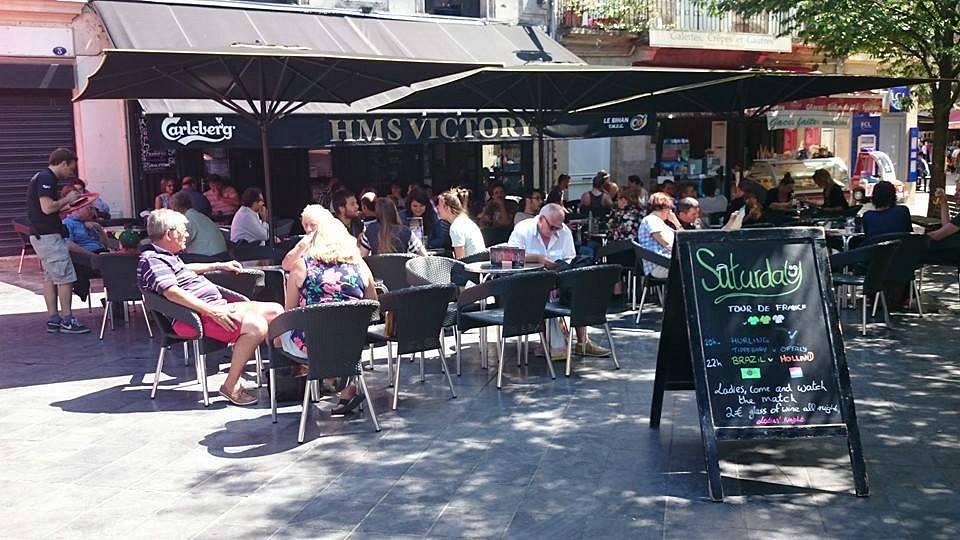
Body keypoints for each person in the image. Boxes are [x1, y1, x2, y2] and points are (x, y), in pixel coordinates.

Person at [138, 209, 283, 406]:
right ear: (169, 234)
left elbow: (185, 270)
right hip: (193, 317)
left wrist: (217, 265)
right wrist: (211, 310)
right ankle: (231, 386)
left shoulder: (167, 257)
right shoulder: (151, 259)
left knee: (276, 312)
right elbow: (171, 292)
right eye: (183, 230)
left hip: (212, 308)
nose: (187, 235)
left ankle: (283, 373)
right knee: (256, 326)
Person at [279, 204, 378, 415]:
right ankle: (343, 386)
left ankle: (321, 379)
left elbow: (290, 314)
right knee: (344, 331)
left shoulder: (302, 267)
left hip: (311, 345)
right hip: (350, 344)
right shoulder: (360, 266)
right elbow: (373, 305)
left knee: (279, 333)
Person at [508, 203, 610, 358]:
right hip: (530, 280)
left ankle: (583, 342)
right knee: (538, 290)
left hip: (560, 278)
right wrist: (539, 259)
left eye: (558, 227)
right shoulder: (523, 229)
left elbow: (570, 258)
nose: (555, 231)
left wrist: (559, 271)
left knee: (579, 286)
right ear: (541, 219)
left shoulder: (564, 231)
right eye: (552, 227)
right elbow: (510, 257)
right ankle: (545, 342)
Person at [26, 148, 89, 334]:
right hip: (48, 236)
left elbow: (47, 209)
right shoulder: (47, 178)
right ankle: (67, 319)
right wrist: (67, 199)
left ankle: (54, 319)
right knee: (65, 277)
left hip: (41, 235)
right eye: (71, 168)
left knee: (51, 277)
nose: (71, 173)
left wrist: (67, 205)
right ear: (63, 163)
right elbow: (47, 208)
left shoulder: (41, 177)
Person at [360, 197, 426, 256]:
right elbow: (424, 256)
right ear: (394, 211)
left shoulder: (370, 231)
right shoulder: (406, 232)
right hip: (401, 269)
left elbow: (362, 257)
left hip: (376, 269)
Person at [170, 192, 228, 257]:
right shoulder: (200, 216)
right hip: (222, 255)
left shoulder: (186, 219)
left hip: (210, 258)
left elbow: (176, 245)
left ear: (176, 209)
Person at [637, 192, 676, 279]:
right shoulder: (651, 220)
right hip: (658, 265)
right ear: (666, 207)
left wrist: (676, 223)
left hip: (666, 263)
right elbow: (666, 243)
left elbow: (684, 238)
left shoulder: (661, 223)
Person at [438, 188, 485, 259]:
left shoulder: (455, 227)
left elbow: (461, 260)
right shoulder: (465, 221)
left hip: (471, 268)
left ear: (447, 208)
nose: (437, 207)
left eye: (439, 205)